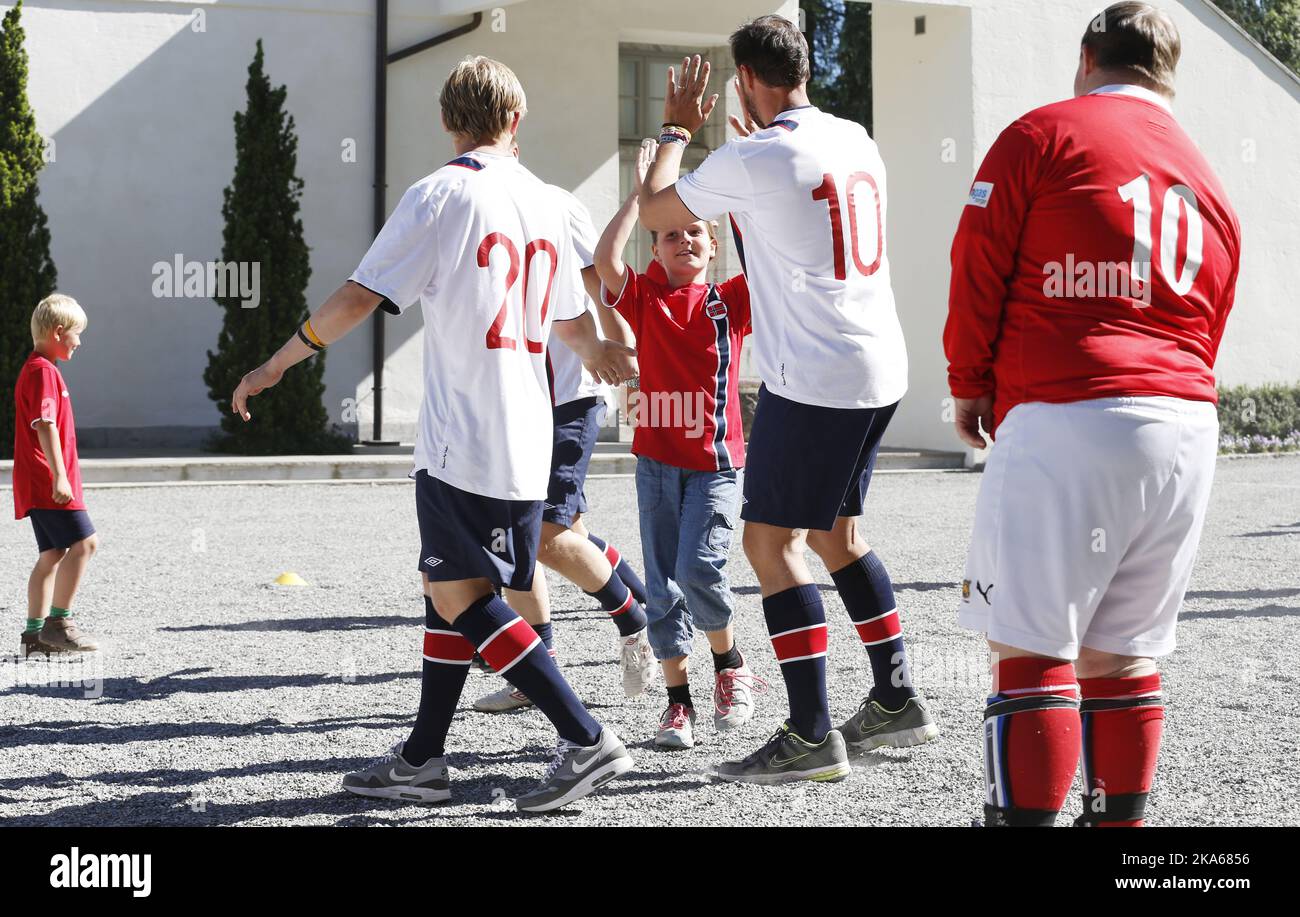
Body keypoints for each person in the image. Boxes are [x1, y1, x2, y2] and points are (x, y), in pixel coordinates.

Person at [231, 56, 639, 813]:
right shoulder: (547, 202)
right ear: (516, 120)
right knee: (447, 589)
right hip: (527, 433)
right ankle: (423, 754)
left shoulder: (441, 193)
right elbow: (570, 322)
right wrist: (604, 356)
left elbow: (359, 296)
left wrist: (277, 361)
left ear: (449, 122)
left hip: (464, 438)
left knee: (459, 592)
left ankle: (585, 738)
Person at [945, 2, 1240, 826]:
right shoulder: (1207, 175)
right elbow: (1213, 310)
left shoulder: (1043, 134)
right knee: (1124, 655)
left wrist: (968, 379)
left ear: (1086, 58)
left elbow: (978, 259)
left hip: (1070, 408)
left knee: (1035, 648)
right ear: (1169, 77)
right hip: (1183, 421)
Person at [637, 17, 937, 784]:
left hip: (818, 376)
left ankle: (809, 732)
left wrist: (676, 123)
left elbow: (655, 210)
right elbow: (790, 218)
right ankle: (896, 698)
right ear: (802, 70)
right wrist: (747, 156)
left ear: (744, 78)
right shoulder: (853, 136)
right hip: (881, 363)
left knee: (771, 545)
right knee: (838, 534)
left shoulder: (753, 155)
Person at [593, 138, 763, 750]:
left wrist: (745, 191)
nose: (684, 240)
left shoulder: (731, 300)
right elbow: (606, 257)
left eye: (696, 233)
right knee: (662, 586)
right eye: (671, 234)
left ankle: (730, 665)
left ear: (713, 245)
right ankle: (678, 703)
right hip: (657, 466)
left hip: (716, 465)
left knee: (700, 569)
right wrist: (643, 198)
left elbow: (766, 258)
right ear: (656, 245)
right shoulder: (643, 296)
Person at [473, 175, 657, 714]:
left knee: (544, 534)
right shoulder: (476, 203)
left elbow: (597, 280)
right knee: (548, 533)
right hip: (519, 399)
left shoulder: (553, 204)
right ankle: (536, 672)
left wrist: (613, 349)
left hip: (567, 396)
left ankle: (637, 622)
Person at [13, 294, 100, 657]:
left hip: (38, 479)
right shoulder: (43, 372)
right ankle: (59, 624)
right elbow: (45, 424)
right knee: (86, 544)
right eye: (76, 334)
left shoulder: (39, 368)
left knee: (52, 553)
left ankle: (34, 638)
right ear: (59, 331)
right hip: (49, 479)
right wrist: (60, 477)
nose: (79, 342)